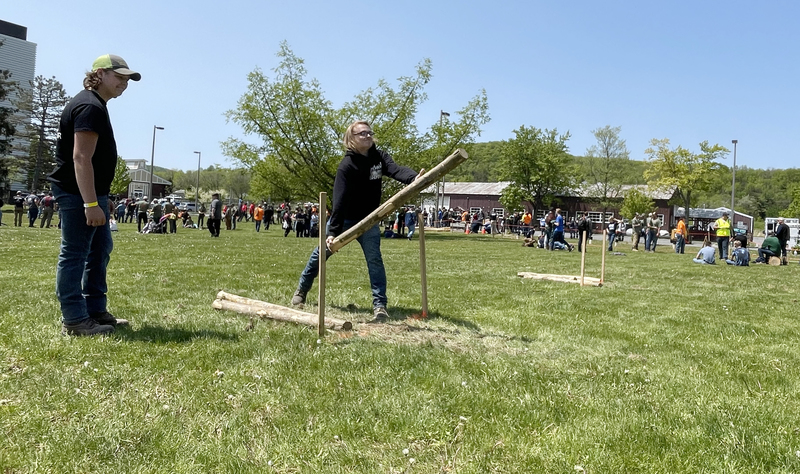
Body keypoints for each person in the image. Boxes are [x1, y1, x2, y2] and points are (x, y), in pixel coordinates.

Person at [291, 120, 424, 321]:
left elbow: (396, 170)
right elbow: (340, 199)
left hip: (368, 221)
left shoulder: (379, 157)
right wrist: (332, 232)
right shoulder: (347, 166)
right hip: (345, 220)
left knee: (375, 260)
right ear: (351, 138)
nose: (368, 136)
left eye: (370, 132)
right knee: (320, 255)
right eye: (362, 133)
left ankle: (380, 306)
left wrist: (414, 178)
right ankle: (302, 290)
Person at [46, 54, 139, 335]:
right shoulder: (89, 106)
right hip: (77, 194)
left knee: (99, 251)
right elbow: (81, 158)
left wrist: (101, 196)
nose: (124, 83)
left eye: (127, 79)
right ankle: (74, 320)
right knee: (75, 254)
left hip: (91, 193)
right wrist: (89, 202)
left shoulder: (96, 104)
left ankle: (95, 311)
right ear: (99, 74)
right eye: (119, 77)